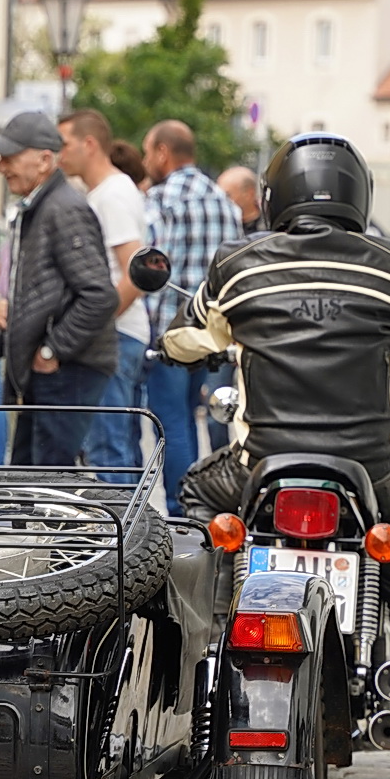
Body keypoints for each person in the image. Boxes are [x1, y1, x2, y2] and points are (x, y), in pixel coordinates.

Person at [161, 133, 390, 779]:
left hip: (257, 470)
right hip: (369, 473)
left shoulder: (237, 266)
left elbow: (188, 336)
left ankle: (191, 669)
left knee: (192, 500)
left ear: (274, 196)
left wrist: (183, 348)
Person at [0, 112, 117, 468]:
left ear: (45, 160)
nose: (1, 166)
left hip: (68, 370)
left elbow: (99, 296)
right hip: (56, 368)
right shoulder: (45, 205)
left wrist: (52, 352)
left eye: (10, 157)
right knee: (30, 481)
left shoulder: (63, 209)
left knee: (46, 486)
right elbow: (39, 301)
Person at [142, 120, 242, 516]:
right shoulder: (224, 202)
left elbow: (149, 268)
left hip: (172, 332)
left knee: (171, 423)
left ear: (163, 152)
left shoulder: (163, 199)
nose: (147, 159)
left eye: (149, 151)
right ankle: (206, 505)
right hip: (212, 335)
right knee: (196, 419)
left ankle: (182, 510)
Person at [58, 108, 149, 482]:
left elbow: (138, 272)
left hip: (116, 335)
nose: (58, 152)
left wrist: (93, 322)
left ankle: (125, 540)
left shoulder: (111, 195)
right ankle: (134, 535)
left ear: (89, 143)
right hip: (118, 332)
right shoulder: (108, 192)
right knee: (114, 446)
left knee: (108, 450)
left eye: (64, 143)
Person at [218, 165, 266, 235]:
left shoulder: (269, 226)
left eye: (227, 195)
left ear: (249, 194)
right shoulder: (221, 225)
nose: (221, 200)